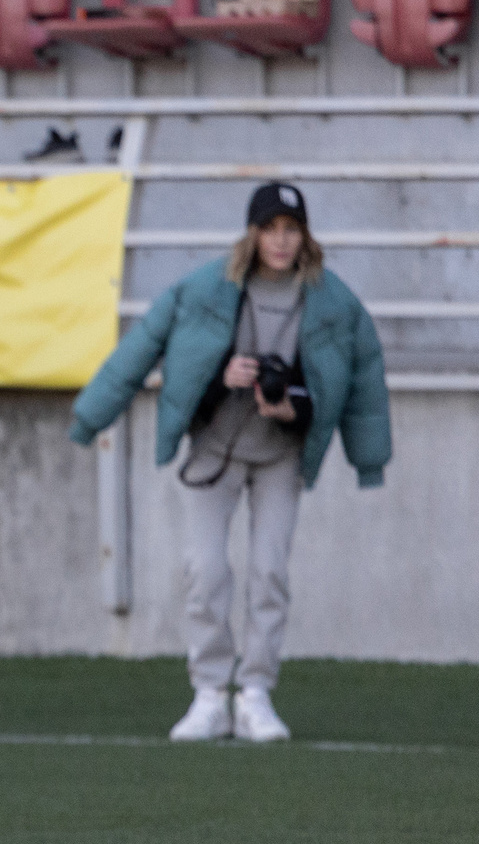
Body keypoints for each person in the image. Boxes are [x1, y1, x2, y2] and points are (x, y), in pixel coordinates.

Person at [69, 183, 391, 745]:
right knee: (206, 571)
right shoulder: (205, 289)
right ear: (252, 233)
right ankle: (211, 693)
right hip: (213, 452)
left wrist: (303, 411)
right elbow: (140, 348)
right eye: (270, 229)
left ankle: (257, 693)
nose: (281, 241)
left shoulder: (334, 301)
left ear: (305, 236)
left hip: (280, 457)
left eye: (292, 229)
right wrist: (93, 417)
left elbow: (364, 379)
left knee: (269, 572)